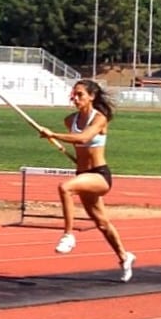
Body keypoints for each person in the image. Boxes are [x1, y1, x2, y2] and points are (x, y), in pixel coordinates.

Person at [39, 79, 136, 282]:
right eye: (73, 94)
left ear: (91, 96)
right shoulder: (70, 120)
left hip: (100, 175)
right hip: (83, 176)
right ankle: (124, 257)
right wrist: (51, 137)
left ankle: (68, 235)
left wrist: (53, 134)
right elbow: (78, 144)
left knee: (64, 187)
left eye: (80, 94)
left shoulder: (100, 119)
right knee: (102, 223)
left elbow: (83, 138)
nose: (75, 98)